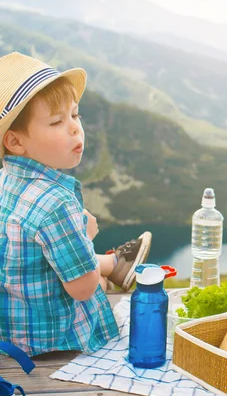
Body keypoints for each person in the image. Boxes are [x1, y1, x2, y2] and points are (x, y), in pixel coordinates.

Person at [0, 52, 152, 356]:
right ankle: (111, 266)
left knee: (73, 261)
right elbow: (81, 290)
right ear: (16, 142)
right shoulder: (57, 203)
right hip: (52, 342)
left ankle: (112, 266)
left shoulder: (5, 180)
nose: (74, 128)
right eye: (56, 121)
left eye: (75, 114)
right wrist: (84, 234)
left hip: (11, 332)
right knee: (92, 284)